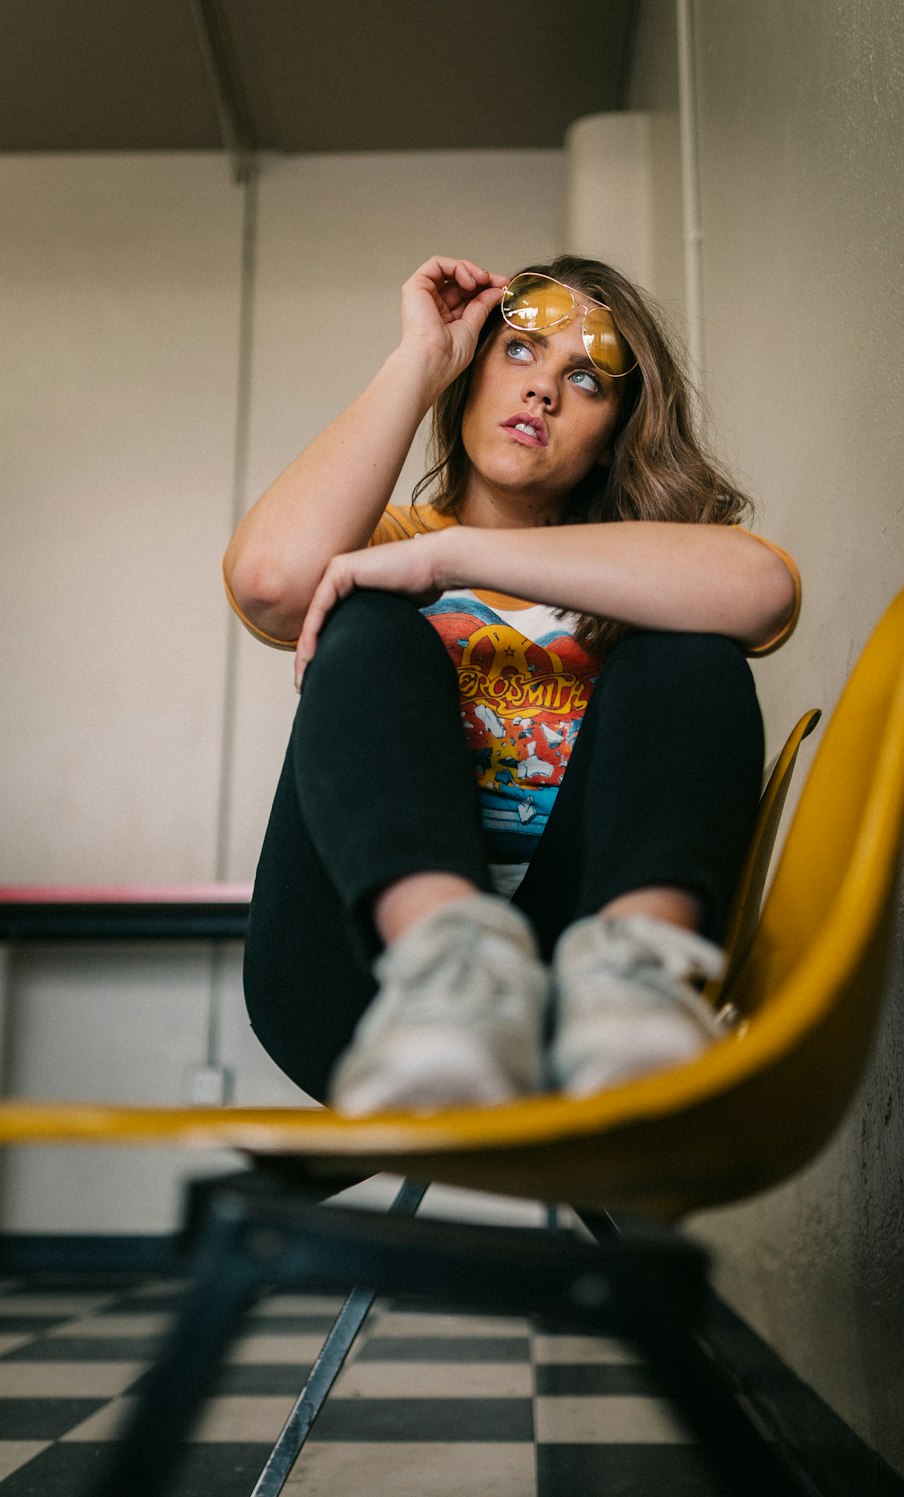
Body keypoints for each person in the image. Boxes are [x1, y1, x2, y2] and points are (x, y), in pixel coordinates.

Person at [223, 254, 800, 1116]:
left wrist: (454, 554)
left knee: (692, 650)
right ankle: (449, 957)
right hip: (358, 988)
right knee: (371, 616)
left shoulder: (641, 570)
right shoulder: (380, 536)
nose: (543, 392)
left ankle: (637, 980)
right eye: (520, 351)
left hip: (581, 1009)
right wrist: (421, 359)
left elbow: (764, 591)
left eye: (585, 377)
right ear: (473, 368)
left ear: (616, 429)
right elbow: (270, 580)